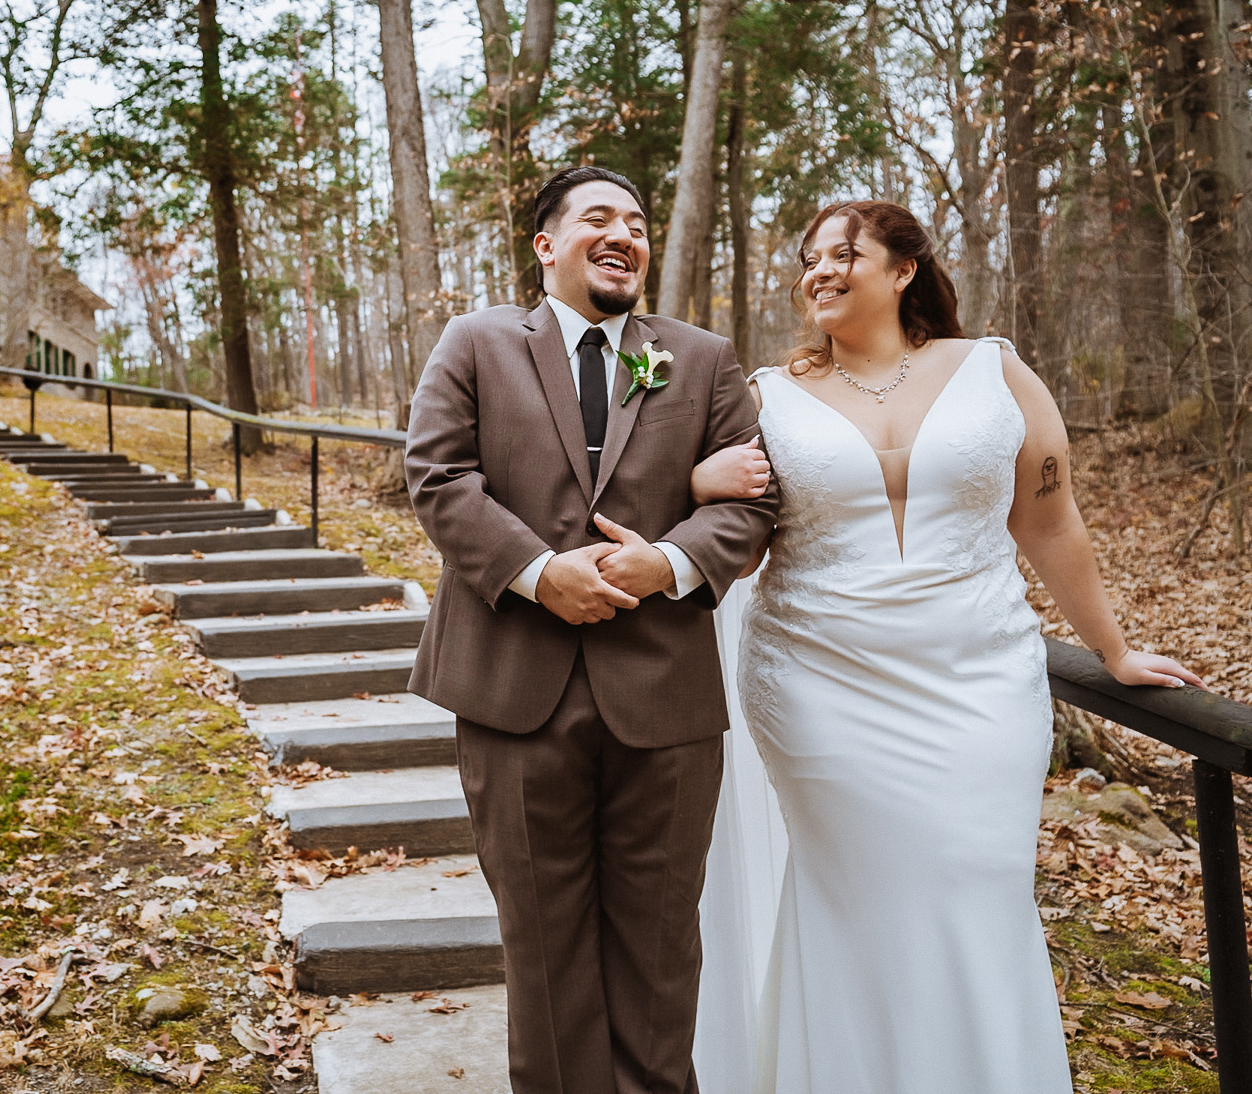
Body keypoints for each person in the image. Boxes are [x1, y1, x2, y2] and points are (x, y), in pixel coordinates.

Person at [689, 199, 1200, 1091]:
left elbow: (1049, 522)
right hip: (818, 688)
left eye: (844, 252)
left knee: (978, 889)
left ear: (904, 269)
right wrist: (699, 476)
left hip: (980, 688)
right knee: (859, 901)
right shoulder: (768, 396)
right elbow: (725, 527)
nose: (821, 269)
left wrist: (1115, 653)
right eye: (809, 257)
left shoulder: (995, 373)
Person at [405, 165, 780, 1094]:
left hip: (664, 698)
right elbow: (439, 477)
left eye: (639, 224)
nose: (624, 235)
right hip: (510, 690)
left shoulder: (702, 357)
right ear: (547, 246)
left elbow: (755, 498)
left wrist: (671, 561)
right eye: (598, 219)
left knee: (660, 952)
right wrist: (539, 575)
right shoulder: (476, 341)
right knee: (543, 945)